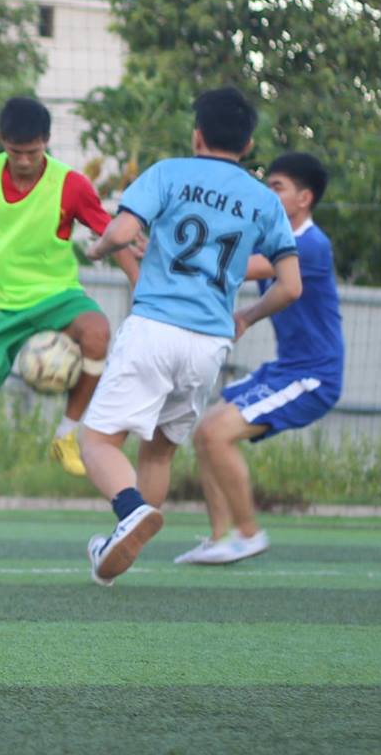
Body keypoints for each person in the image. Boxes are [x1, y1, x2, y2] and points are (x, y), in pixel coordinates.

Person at [78, 87, 301, 584]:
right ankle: (124, 541)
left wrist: (96, 250)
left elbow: (121, 234)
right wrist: (247, 317)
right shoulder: (265, 202)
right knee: (159, 450)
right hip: (208, 345)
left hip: (155, 328)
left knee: (96, 441)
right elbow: (291, 286)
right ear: (248, 145)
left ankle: (131, 511)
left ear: (197, 135)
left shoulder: (168, 173)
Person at [0, 97, 138, 559]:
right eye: (16, 152)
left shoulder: (70, 185)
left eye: (33, 152)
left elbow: (112, 236)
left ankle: (66, 434)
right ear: (2, 142)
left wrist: (141, 285)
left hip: (56, 296)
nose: (24, 161)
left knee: (98, 332)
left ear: (46, 143)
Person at [179, 152, 343, 564]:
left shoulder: (311, 245)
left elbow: (238, 264)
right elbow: (226, 252)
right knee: (205, 432)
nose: (268, 195)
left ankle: (249, 534)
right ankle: (220, 537)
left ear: (304, 198)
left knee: (217, 435)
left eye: (277, 188)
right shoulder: (273, 236)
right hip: (286, 369)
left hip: (313, 376)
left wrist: (179, 253)